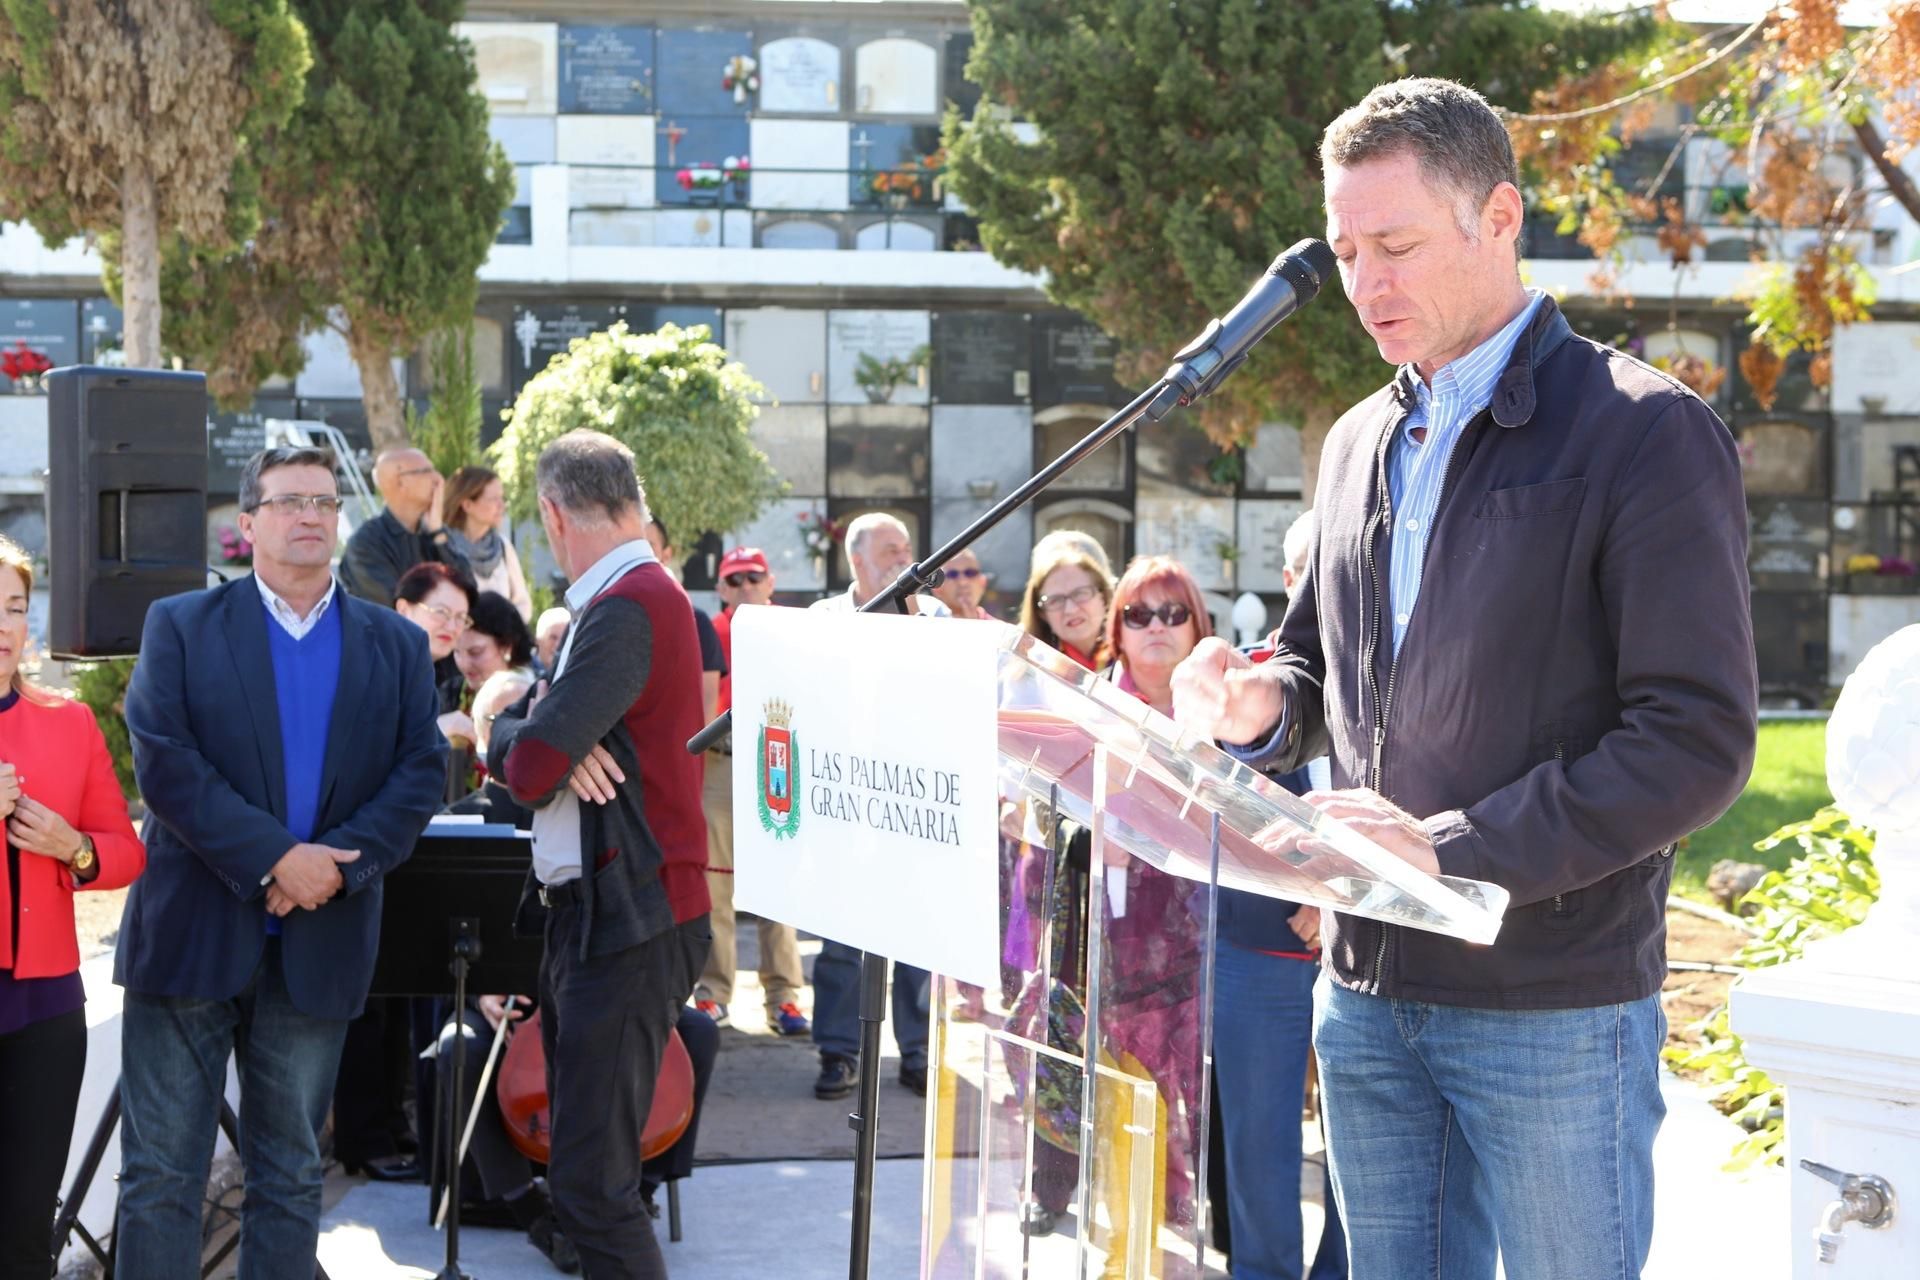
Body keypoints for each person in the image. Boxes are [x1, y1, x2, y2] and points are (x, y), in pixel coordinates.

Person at [1172, 78, 1757, 1280]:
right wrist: (1260, 704)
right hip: (1367, 987)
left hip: (1554, 1000)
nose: (1365, 283)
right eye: (1345, 252)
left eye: (1395, 245)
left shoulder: (1644, 431)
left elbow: (1694, 739)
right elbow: (1320, 667)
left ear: (1500, 217)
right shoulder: (1354, 442)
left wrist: (1451, 849)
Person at [117, 446, 448, 1279]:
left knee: (292, 1176)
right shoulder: (181, 625)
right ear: (247, 522)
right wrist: (276, 860)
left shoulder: (394, 644)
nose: (310, 516)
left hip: (320, 939)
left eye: (325, 502)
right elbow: (166, 764)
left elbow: (419, 775)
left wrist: (333, 870)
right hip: (190, 939)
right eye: (290, 501)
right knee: (161, 1177)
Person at [489, 429, 711, 1280]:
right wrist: (539, 728)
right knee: (587, 1178)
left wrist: (517, 728)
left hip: (629, 919)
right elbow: (541, 747)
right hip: (606, 917)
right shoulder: (629, 596)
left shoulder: (627, 604)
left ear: (552, 514)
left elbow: (530, 768)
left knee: (590, 1186)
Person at [0, 537, 144, 1280]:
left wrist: (73, 847)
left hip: (45, 1008)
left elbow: (125, 851)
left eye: (15, 607)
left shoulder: (70, 722)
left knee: (27, 1236)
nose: (4, 625)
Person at [1209, 512, 1347, 1280]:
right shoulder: (1250, 688)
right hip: (1260, 950)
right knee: (1259, 1151)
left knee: (1365, 1153)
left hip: (1371, 953)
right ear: (1290, 584)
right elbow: (1221, 815)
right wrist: (1309, 888)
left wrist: (1341, 898)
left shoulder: (1402, 679)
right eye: (1309, 570)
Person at [807, 512, 944, 1101]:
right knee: (841, 940)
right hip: (845, 802)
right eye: (890, 550)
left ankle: (917, 1053)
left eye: (906, 547)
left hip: (913, 798)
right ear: (857, 559)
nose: (904, 557)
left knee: (915, 937)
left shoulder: (933, 617)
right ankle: (839, 1053)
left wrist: (909, 618)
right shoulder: (823, 620)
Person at [696, 547, 808, 1038]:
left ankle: (784, 998)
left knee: (778, 884)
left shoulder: (791, 629)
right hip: (721, 758)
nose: (745, 587)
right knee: (714, 884)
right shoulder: (710, 631)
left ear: (770, 582)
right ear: (721, 588)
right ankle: (712, 993)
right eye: (735, 579)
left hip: (776, 757)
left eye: (753, 577)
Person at [395, 562, 482, 802]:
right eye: (441, 612)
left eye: (461, 618)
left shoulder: (437, 674)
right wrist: (439, 727)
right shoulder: (371, 664)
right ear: (404, 609)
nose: (452, 627)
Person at [339, 448, 470, 607]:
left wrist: (437, 532)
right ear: (400, 482)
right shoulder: (365, 543)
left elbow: (468, 589)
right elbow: (396, 606)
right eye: (426, 471)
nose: (438, 479)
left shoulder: (432, 534)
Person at [444, 465, 535, 622]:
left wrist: (507, 629)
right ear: (467, 505)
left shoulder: (503, 546)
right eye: (494, 499)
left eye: (502, 498)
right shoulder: (443, 548)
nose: (502, 505)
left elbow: (522, 604)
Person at [1019, 538, 1114, 670]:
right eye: (1055, 600)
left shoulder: (1132, 656)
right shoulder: (1026, 668)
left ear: (1103, 596)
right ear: (1041, 613)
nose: (1071, 609)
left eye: (1080, 593)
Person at [456, 592, 537, 695]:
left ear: (506, 647)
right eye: (456, 651)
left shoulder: (519, 694)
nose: (464, 664)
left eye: (475, 652)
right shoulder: (454, 692)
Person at [930, 546, 994, 619]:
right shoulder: (925, 623)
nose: (962, 582)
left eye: (970, 573)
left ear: (983, 582)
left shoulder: (999, 626)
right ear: (937, 589)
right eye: (952, 574)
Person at [535, 607, 571, 674]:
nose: (558, 644)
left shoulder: (571, 673)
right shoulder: (522, 673)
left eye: (564, 639)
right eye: (553, 638)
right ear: (538, 640)